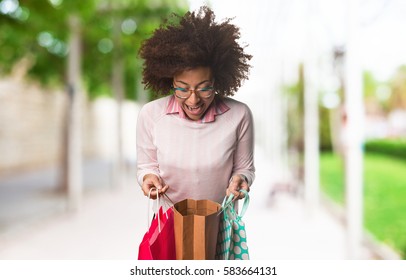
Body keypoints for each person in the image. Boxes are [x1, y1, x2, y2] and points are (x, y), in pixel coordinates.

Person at [136, 6, 255, 204]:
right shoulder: (150, 115)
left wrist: (241, 179)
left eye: (204, 88)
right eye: (182, 89)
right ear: (170, 82)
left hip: (220, 225)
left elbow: (245, 168)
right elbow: (146, 166)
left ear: (217, 81)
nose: (193, 100)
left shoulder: (239, 115)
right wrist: (148, 178)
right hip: (169, 226)